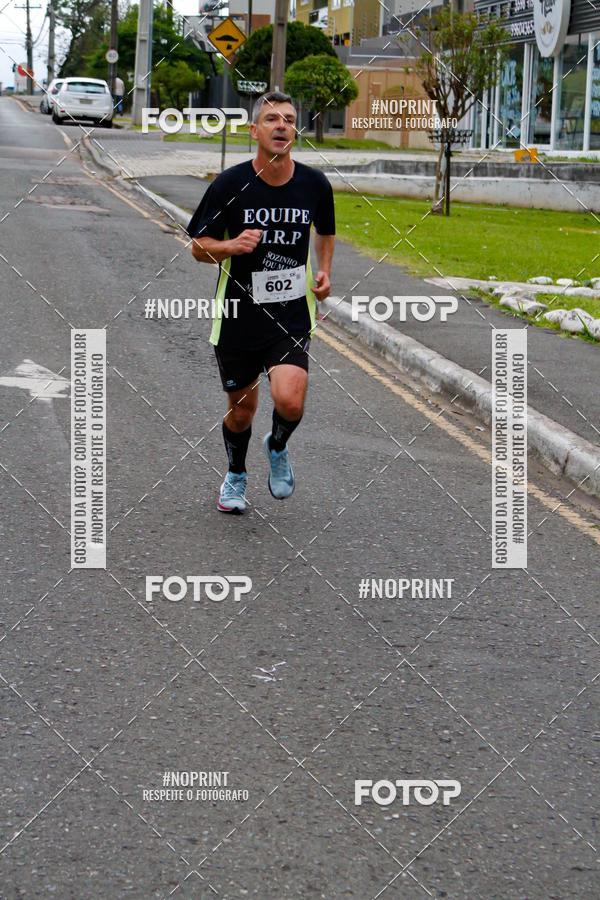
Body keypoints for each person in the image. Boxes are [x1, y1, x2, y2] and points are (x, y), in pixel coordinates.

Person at [187, 90, 335, 513]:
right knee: (242, 410)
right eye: (271, 119)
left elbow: (325, 231)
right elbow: (198, 247)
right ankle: (235, 474)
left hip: (290, 313)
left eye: (289, 119)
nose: (281, 126)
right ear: (254, 130)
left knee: (290, 399)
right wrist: (233, 245)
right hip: (237, 317)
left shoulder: (314, 184)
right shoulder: (230, 185)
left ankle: (278, 443)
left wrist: (324, 271)